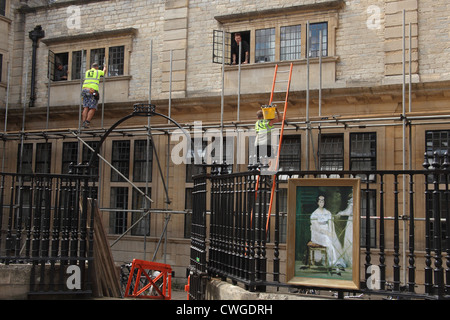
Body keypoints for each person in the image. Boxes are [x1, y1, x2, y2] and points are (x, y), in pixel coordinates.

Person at [310, 195, 346, 272]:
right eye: (320, 201)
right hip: (318, 234)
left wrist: (331, 232)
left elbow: (330, 224)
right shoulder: (314, 214)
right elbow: (317, 228)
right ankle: (332, 262)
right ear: (317, 202)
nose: (322, 203)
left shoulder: (327, 212)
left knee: (335, 240)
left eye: (323, 201)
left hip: (327, 232)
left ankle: (338, 262)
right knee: (328, 240)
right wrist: (326, 233)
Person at [81, 62, 106, 129]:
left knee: (85, 107)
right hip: (92, 91)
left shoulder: (87, 72)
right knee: (93, 107)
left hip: (84, 90)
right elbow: (104, 73)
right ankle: (87, 122)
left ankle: (83, 122)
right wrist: (105, 67)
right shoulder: (98, 72)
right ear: (97, 67)